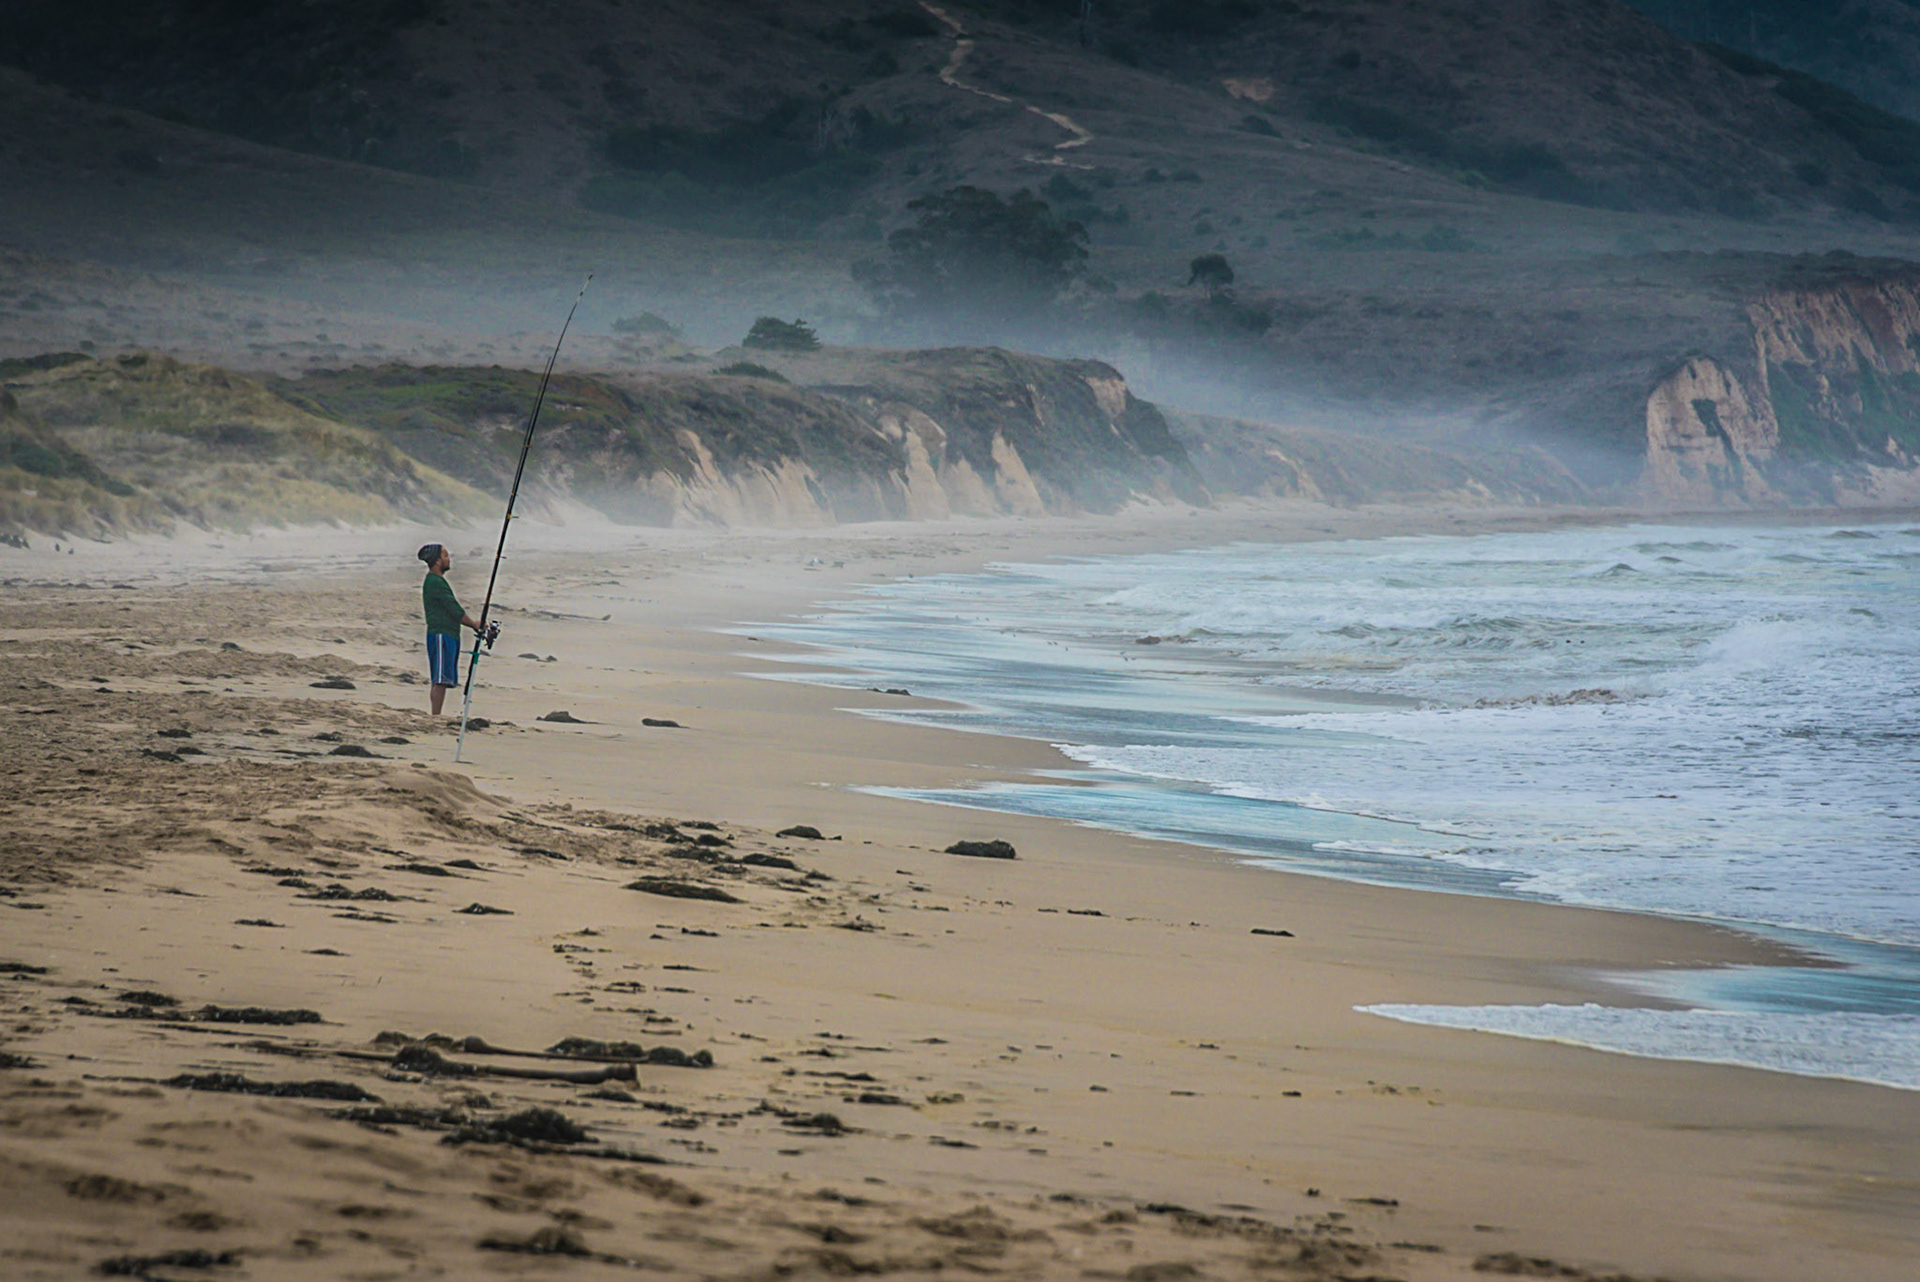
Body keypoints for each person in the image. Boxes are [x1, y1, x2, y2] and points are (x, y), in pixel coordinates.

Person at [418, 543, 486, 715]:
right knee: (440, 679)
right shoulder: (434, 582)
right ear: (437, 561)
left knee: (442, 679)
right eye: (445, 556)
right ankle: (435, 715)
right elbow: (453, 608)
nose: (448, 559)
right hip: (441, 634)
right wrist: (474, 624)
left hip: (449, 634)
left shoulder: (438, 581)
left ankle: (436, 714)